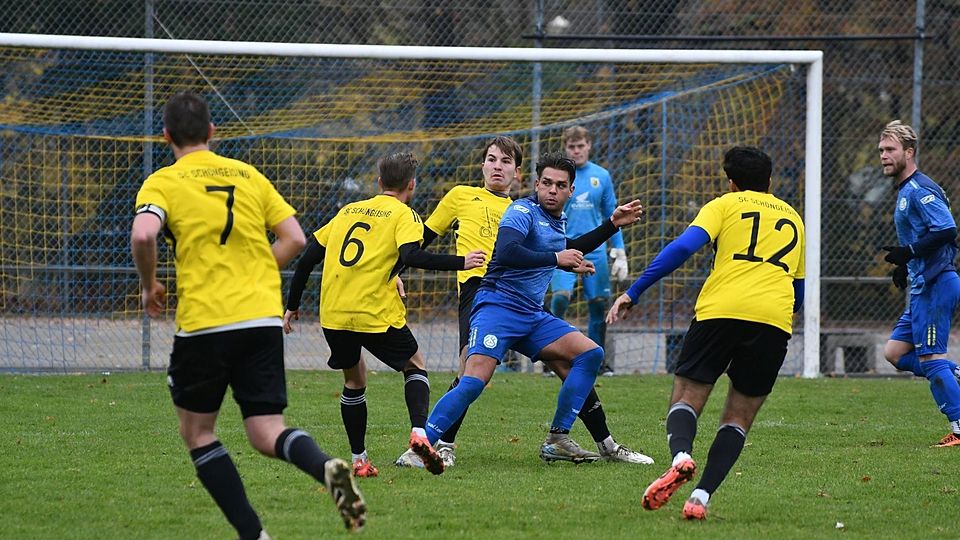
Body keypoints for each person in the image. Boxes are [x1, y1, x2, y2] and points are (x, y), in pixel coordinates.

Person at [130, 92, 366, 539]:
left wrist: (149, 285)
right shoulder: (248, 175)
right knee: (265, 431)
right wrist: (256, 268)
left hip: (207, 322)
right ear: (212, 133)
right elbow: (294, 238)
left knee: (199, 433)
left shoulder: (163, 181)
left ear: (166, 136)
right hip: (261, 319)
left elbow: (144, 234)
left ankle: (253, 534)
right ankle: (326, 466)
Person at [394, 137, 652, 468]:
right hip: (496, 306)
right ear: (534, 183)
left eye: (560, 185)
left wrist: (610, 226)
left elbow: (566, 245)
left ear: (571, 190)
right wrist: (557, 258)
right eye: (546, 183)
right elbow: (508, 252)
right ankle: (424, 446)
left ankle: (558, 438)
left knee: (589, 354)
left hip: (531, 313)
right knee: (473, 379)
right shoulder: (520, 210)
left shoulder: (554, 219)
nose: (552, 190)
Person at [607, 146, 805, 520]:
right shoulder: (794, 218)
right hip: (773, 319)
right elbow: (800, 294)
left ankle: (681, 456)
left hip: (721, 311)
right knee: (737, 419)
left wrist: (634, 291)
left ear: (731, 182)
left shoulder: (725, 204)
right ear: (770, 181)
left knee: (685, 397)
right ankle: (700, 497)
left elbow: (682, 248)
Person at [283, 151, 485, 478]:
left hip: (334, 314)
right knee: (415, 364)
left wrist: (292, 305)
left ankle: (360, 460)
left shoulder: (349, 211)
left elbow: (307, 259)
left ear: (379, 182)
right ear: (412, 185)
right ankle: (420, 434)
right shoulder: (404, 214)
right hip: (373, 312)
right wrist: (461, 261)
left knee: (354, 379)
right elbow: (412, 254)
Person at [876, 120, 960, 448]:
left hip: (937, 283)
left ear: (909, 153)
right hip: (923, 284)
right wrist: (906, 264)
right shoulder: (904, 190)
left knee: (930, 358)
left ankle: (958, 427)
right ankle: (951, 374)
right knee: (895, 353)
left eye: (890, 150)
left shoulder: (919, 189)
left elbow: (946, 230)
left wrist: (909, 252)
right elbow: (927, 236)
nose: (883, 156)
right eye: (882, 150)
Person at [548, 126, 628, 376]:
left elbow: (612, 215)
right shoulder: (560, 177)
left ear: (589, 146)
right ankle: (552, 357)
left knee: (598, 305)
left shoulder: (601, 176)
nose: (577, 150)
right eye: (572, 146)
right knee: (560, 298)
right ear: (566, 148)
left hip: (595, 252)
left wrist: (620, 251)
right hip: (564, 248)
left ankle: (596, 362)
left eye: (580, 145)